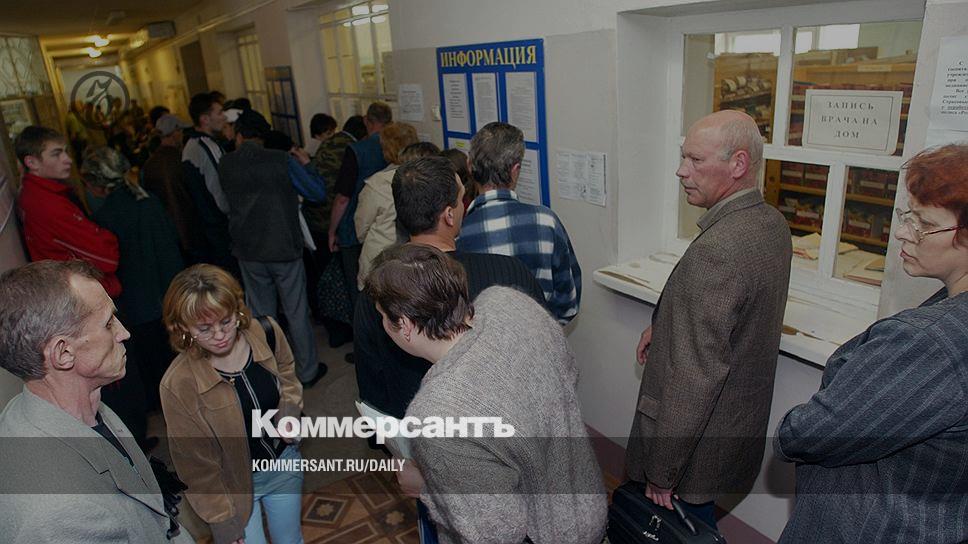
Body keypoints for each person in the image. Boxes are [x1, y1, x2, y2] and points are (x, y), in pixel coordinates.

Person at [774, 144, 968, 544]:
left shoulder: (926, 342)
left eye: (924, 223)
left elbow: (804, 435)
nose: (902, 232)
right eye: (907, 215)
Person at [364, 244, 607, 544]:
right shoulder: (508, 301)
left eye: (383, 317)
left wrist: (426, 488)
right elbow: (567, 373)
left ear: (405, 325)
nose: (382, 325)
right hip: (586, 504)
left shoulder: (436, 413)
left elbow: (497, 533)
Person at [624, 110, 791, 530]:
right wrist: (665, 324)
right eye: (684, 157)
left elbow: (694, 377)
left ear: (738, 164)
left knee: (678, 532)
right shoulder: (770, 223)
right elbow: (733, 313)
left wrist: (662, 472)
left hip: (691, 457)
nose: (681, 171)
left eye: (695, 160)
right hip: (733, 432)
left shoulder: (719, 249)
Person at [0, 260, 192, 543]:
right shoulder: (61, 517)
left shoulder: (80, 405)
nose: (124, 333)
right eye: (108, 323)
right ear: (63, 353)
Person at [355, 156, 545, 419]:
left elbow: (372, 385)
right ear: (449, 215)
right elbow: (538, 356)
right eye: (461, 199)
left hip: (415, 427)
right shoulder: (510, 273)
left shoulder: (376, 293)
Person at [160, 264, 304, 544]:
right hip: (231, 490)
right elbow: (195, 464)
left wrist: (288, 411)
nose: (219, 334)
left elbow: (287, 373)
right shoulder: (178, 383)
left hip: (284, 464)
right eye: (204, 328)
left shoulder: (266, 331)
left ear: (237, 310)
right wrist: (222, 520)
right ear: (182, 327)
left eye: (226, 321)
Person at [218, 109, 329, 387]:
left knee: (259, 315)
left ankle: (269, 373)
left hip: (248, 249)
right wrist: (307, 165)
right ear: (263, 136)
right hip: (283, 247)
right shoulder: (281, 160)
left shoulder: (226, 163)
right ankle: (307, 371)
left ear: (239, 135)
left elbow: (224, 203)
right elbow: (316, 193)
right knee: (296, 311)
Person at [81, 146, 184, 425]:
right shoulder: (148, 201)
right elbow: (171, 243)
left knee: (150, 362)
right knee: (173, 355)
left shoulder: (104, 217)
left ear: (97, 185)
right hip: (168, 290)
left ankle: (163, 406)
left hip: (135, 302)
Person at [457, 122, 582, 323]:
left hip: (483, 339)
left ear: (470, 166)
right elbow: (569, 303)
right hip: (541, 334)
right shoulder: (547, 222)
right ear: (515, 170)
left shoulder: (460, 232)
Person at [14, 125, 122, 297]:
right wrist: (108, 236)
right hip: (84, 296)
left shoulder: (39, 193)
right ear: (32, 162)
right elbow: (108, 257)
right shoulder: (47, 204)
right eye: (56, 154)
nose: (68, 159)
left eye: (65, 151)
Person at [328, 102, 393, 307]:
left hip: (353, 228)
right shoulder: (395, 148)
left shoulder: (357, 150)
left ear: (366, 120)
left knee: (358, 292)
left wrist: (332, 230)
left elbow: (343, 198)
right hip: (387, 230)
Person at [353, 122, 420, 289]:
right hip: (414, 258)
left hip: (380, 260)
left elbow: (361, 228)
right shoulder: (424, 177)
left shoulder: (377, 183)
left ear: (386, 149)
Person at [182, 92, 235, 274]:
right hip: (217, 229)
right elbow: (217, 189)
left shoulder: (196, 144)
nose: (224, 117)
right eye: (219, 113)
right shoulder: (203, 147)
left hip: (209, 228)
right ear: (204, 119)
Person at [142, 114, 207, 262]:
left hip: (168, 234)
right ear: (175, 133)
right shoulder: (182, 160)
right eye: (181, 131)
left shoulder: (149, 166)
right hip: (193, 230)